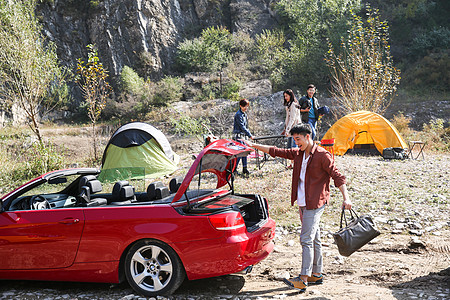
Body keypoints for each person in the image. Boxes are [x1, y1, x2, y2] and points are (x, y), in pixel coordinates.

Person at [245, 123, 352, 293]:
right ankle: (316, 274)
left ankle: (303, 279)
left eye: (298, 139)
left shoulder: (322, 156)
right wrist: (254, 146)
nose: (296, 143)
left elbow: (338, 176)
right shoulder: (298, 154)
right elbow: (276, 151)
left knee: (306, 239)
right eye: (294, 140)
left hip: (315, 203)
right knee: (314, 238)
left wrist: (347, 198)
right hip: (303, 202)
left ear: (307, 137)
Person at [232, 99, 254, 175]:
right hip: (238, 136)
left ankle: (245, 168)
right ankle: (234, 169)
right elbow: (242, 127)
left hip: (243, 136)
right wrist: (250, 135)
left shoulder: (244, 114)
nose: (246, 108)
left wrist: (248, 135)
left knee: (245, 152)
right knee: (239, 153)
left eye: (247, 106)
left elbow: (246, 127)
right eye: (244, 106)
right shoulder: (238, 114)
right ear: (240, 106)